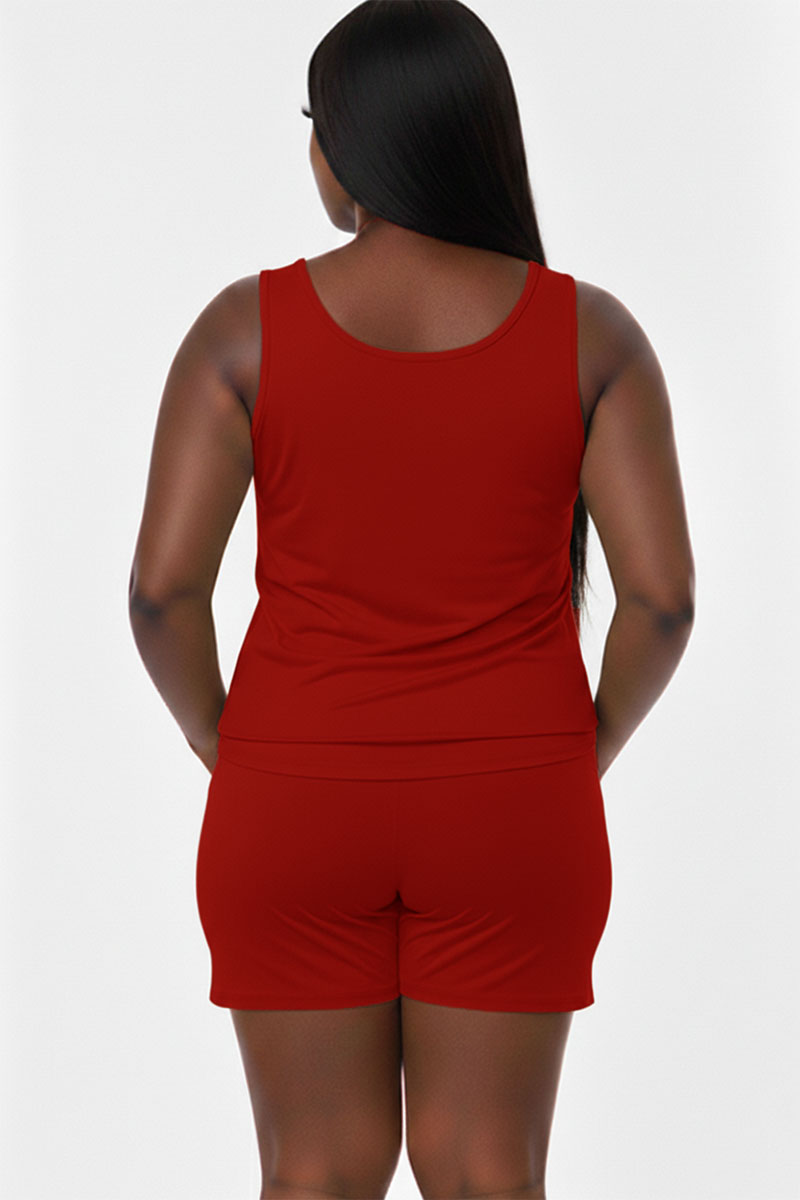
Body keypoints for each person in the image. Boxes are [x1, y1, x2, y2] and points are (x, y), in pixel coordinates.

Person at [128, 2, 695, 1196]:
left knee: (314, 1169)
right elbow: (659, 603)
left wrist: (229, 745)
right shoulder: (591, 338)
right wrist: (577, 750)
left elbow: (162, 593)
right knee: (487, 1171)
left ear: (344, 148)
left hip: (293, 791)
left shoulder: (240, 334)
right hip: (512, 799)